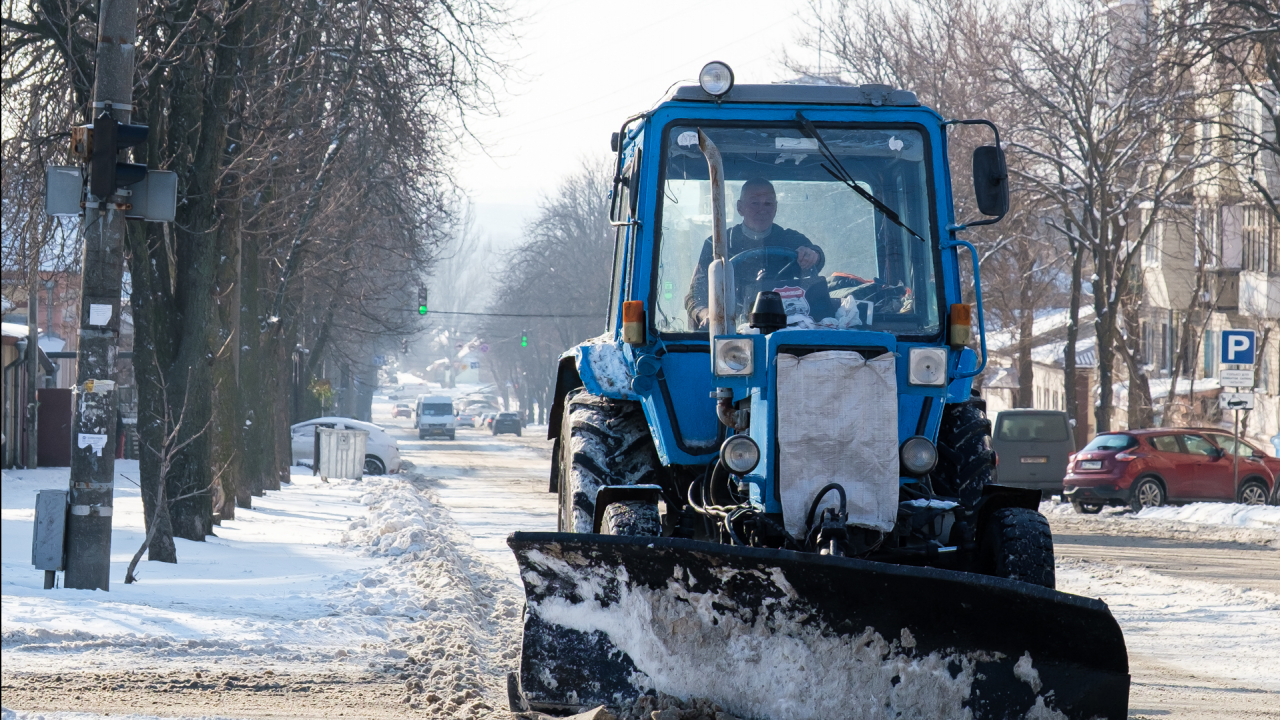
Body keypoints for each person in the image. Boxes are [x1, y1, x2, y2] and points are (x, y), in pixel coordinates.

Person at [685, 178, 830, 328]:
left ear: (775, 208)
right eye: (755, 203)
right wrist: (708, 314)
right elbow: (696, 295)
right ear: (740, 208)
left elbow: (817, 257)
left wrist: (813, 255)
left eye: (768, 203)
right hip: (733, 333)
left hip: (788, 328)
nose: (762, 209)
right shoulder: (717, 244)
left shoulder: (791, 239)